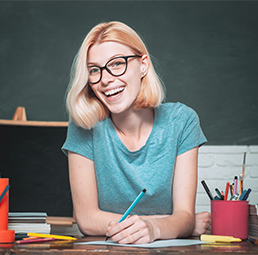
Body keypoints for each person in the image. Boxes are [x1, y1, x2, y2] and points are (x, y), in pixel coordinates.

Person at [62, 21, 210, 244]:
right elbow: (87, 220)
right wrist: (165, 223)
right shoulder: (84, 126)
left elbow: (185, 216)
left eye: (117, 64)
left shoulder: (182, 121)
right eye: (94, 70)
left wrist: (165, 226)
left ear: (143, 65)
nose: (106, 79)